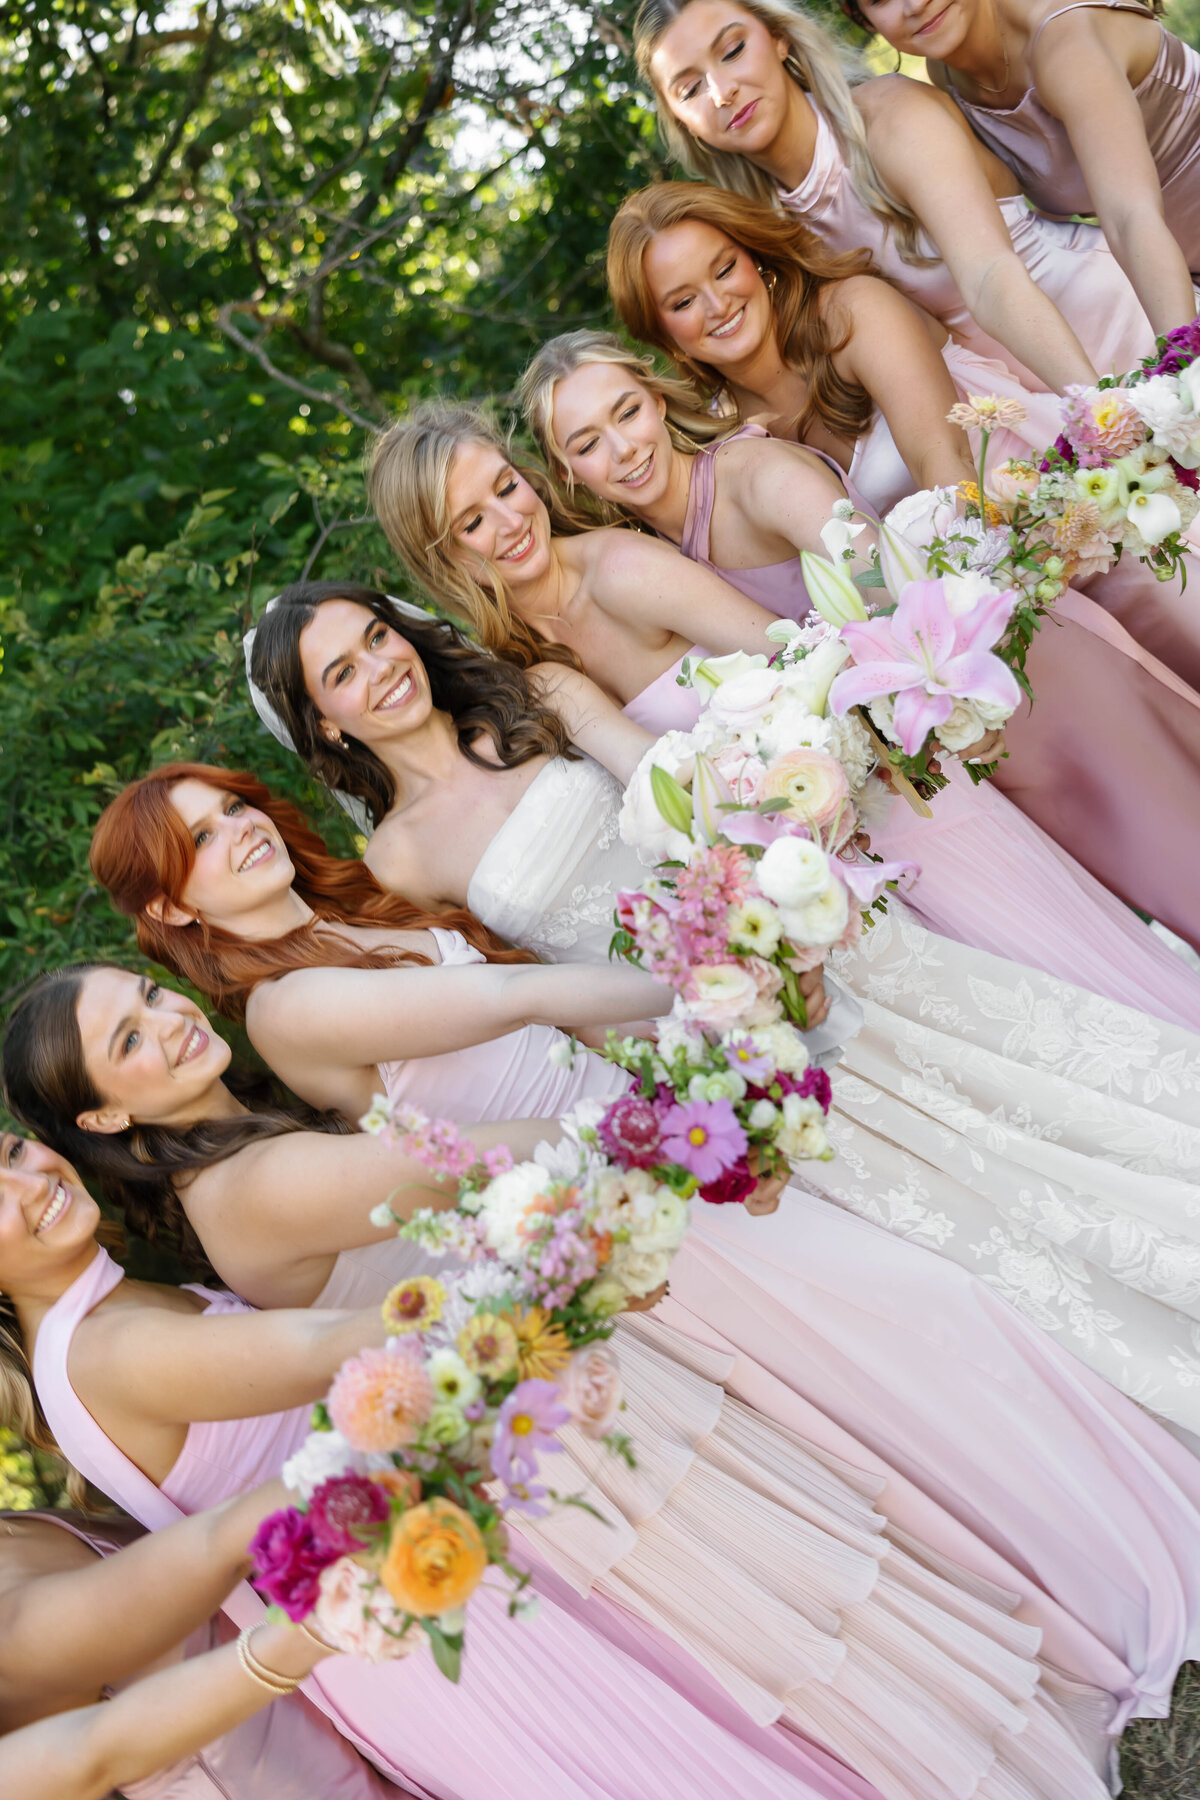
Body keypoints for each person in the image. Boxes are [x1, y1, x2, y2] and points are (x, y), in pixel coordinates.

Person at [70, 758, 1200, 1714]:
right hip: (625, 1193)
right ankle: (1108, 1577)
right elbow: (523, 1003)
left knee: (928, 1317)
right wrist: (711, 976)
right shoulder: (284, 1007)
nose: (239, 833)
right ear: (175, 910)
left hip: (648, 1154)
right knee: (928, 1324)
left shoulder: (355, 916)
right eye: (202, 845)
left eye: (231, 809)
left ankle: (1118, 1506)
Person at [0, 1128, 896, 1800]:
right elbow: (350, 1342)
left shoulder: (105, 1315)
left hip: (422, 1580)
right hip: (423, 1608)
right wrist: (564, 1219)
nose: (28, 1178)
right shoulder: (99, 1350)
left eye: (12, 1150)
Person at [606, 176, 1200, 694]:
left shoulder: (850, 312)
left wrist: (975, 588)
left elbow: (937, 453)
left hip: (1066, 516)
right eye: (683, 301)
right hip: (972, 613)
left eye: (724, 268)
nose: (717, 304)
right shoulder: (724, 439)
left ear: (753, 256)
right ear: (663, 333)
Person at [632, 0, 1162, 383]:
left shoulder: (888, 119)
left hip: (1109, 335)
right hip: (1017, 407)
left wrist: (1095, 412)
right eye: (690, 88)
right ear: (680, 118)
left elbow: (990, 280)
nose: (722, 92)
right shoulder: (757, 229)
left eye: (733, 50)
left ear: (778, 38)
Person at [0, 1488, 395, 1800]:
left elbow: (218, 1541)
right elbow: (95, 1754)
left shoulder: (17, 1606)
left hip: (329, 1678)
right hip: (286, 1746)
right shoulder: (18, 1608)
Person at [854, 0, 1199, 335]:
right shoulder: (947, 75)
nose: (914, 5)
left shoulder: (1064, 37)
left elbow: (1129, 217)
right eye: (882, 0)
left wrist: (1182, 364)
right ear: (863, 18)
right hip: (1178, 277)